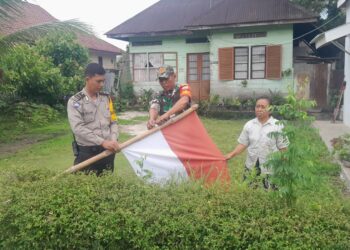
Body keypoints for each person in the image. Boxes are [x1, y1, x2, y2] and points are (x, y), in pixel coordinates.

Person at [67, 63, 120, 176]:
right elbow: (78, 128)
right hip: (88, 154)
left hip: (108, 153)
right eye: (98, 81)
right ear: (88, 79)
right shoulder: (75, 102)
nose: (102, 84)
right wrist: (103, 142)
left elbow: (113, 121)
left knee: (107, 186)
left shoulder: (106, 98)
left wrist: (113, 139)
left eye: (103, 81)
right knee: (85, 188)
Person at [225, 97, 289, 188]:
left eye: (263, 107)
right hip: (251, 165)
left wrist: (286, 167)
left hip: (271, 168)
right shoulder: (249, 125)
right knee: (247, 191)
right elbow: (243, 144)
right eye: (257, 106)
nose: (259, 109)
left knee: (271, 193)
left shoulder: (278, 126)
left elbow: (283, 148)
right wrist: (230, 155)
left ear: (270, 110)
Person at [147, 65, 192, 129]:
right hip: (168, 132)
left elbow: (184, 101)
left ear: (174, 76)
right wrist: (152, 120)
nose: (164, 83)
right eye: (161, 80)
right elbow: (154, 107)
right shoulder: (158, 94)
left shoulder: (183, 88)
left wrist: (166, 115)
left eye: (166, 79)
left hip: (184, 129)